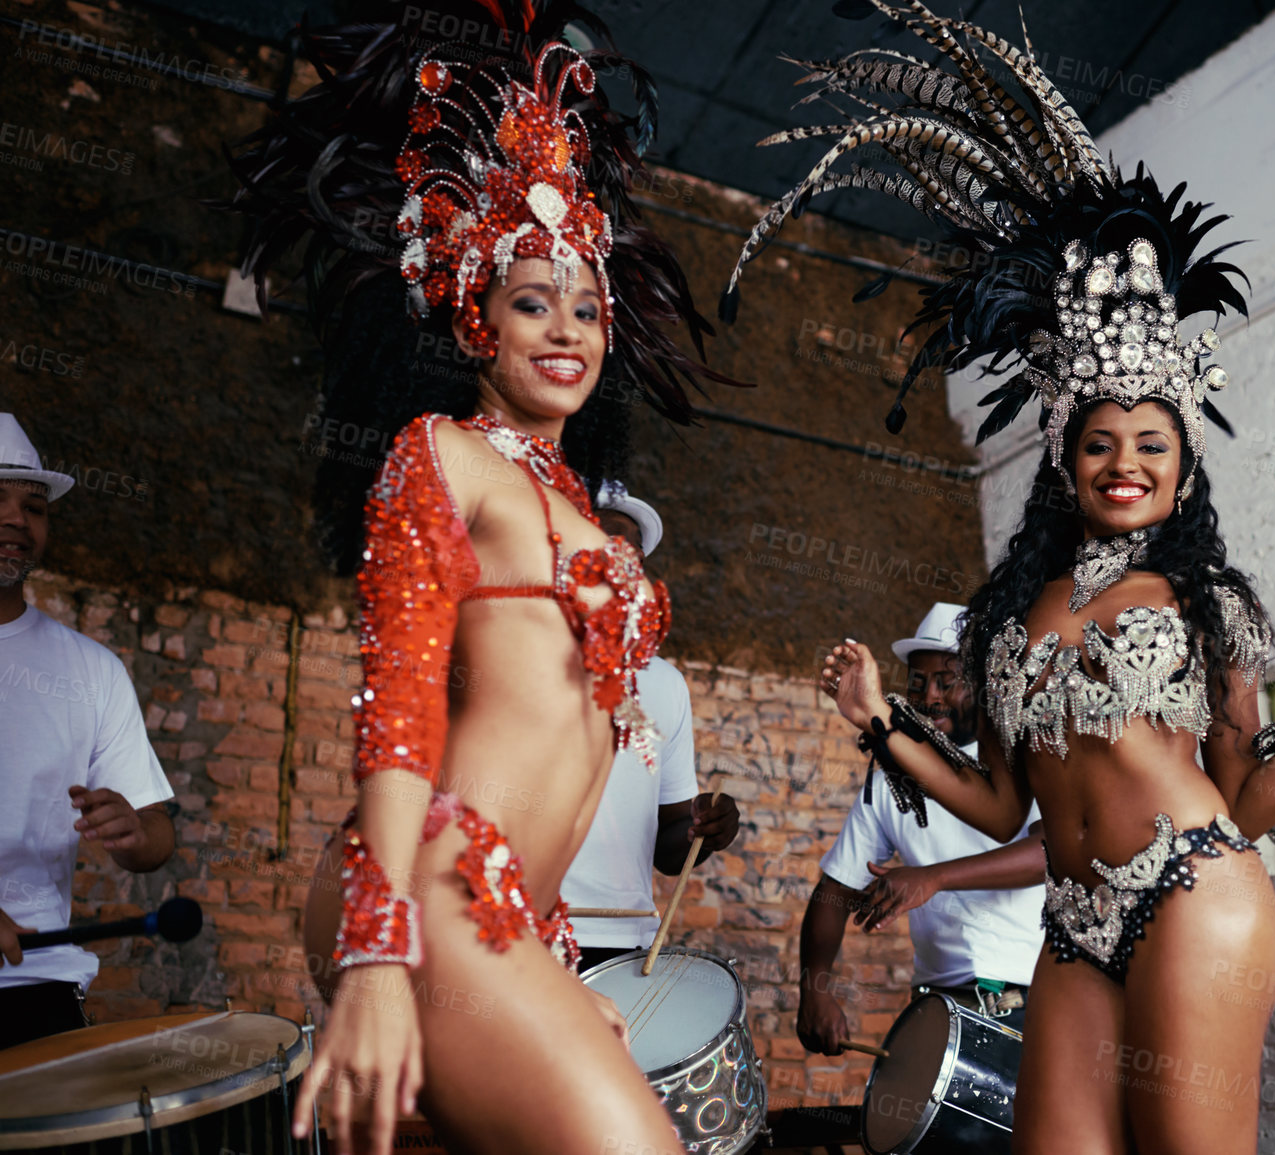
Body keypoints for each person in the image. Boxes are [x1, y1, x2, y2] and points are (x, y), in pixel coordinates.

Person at [733, 8, 1275, 1151]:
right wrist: (880, 724)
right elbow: (1002, 801)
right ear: (1063, 457)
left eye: (1154, 443)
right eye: (1101, 441)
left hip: (1196, 888)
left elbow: (1245, 798)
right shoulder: (1006, 617)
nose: (1127, 463)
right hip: (1072, 926)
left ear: (1184, 463)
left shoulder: (1208, 601)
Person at [228, 8, 736, 1152]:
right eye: (532, 301)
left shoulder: (571, 504)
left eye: (588, 305)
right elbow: (402, 699)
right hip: (429, 882)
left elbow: (550, 742)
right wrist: (374, 951)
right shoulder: (440, 455)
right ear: (476, 320)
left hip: (510, 909)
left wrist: (549, 963)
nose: (568, 329)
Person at [0, 413, 177, 1049]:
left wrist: (134, 831)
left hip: (33, 985)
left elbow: (155, 839)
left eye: (34, 506)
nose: (18, 518)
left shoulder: (92, 670)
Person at [798, 602, 1044, 1054]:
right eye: (918, 682)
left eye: (947, 683)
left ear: (985, 685)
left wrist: (934, 878)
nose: (929, 697)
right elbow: (836, 888)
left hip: (1021, 997)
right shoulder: (890, 774)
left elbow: (1049, 853)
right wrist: (815, 988)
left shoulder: (1020, 758)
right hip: (935, 1002)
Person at [561, 482, 740, 971]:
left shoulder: (664, 684)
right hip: (518, 927)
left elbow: (669, 841)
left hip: (623, 938)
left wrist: (706, 831)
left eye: (628, 556)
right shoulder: (513, 654)